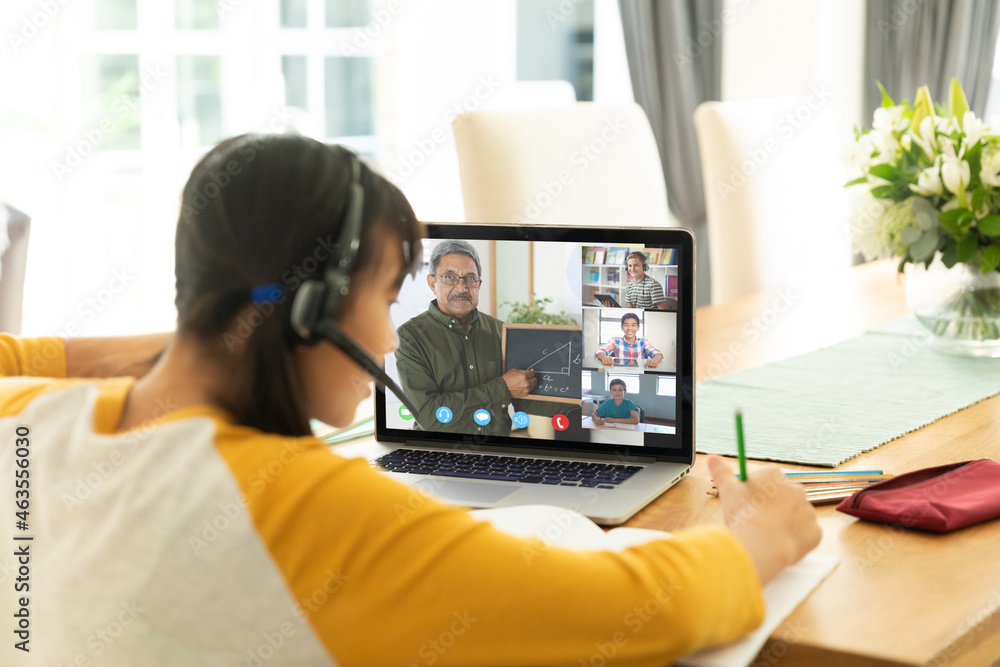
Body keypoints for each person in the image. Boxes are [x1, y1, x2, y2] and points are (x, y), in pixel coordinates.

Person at [0, 133, 821, 666]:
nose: (391, 338)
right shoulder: (297, 505)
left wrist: (204, 339)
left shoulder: (24, 417)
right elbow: (631, 609)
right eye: (388, 291)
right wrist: (758, 533)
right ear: (315, 305)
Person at [394, 240, 547, 434]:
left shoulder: (500, 330)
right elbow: (429, 416)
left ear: (479, 284)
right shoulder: (409, 338)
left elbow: (523, 397)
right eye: (450, 277)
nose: (462, 288)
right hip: (438, 455)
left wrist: (572, 392)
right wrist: (501, 389)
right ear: (433, 283)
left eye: (470, 278)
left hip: (497, 453)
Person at [595, 312, 664, 368]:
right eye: (626, 325)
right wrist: (604, 358)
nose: (630, 328)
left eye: (633, 325)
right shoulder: (615, 341)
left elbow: (658, 354)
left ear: (638, 328)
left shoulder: (643, 342)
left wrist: (654, 360)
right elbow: (599, 352)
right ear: (622, 327)